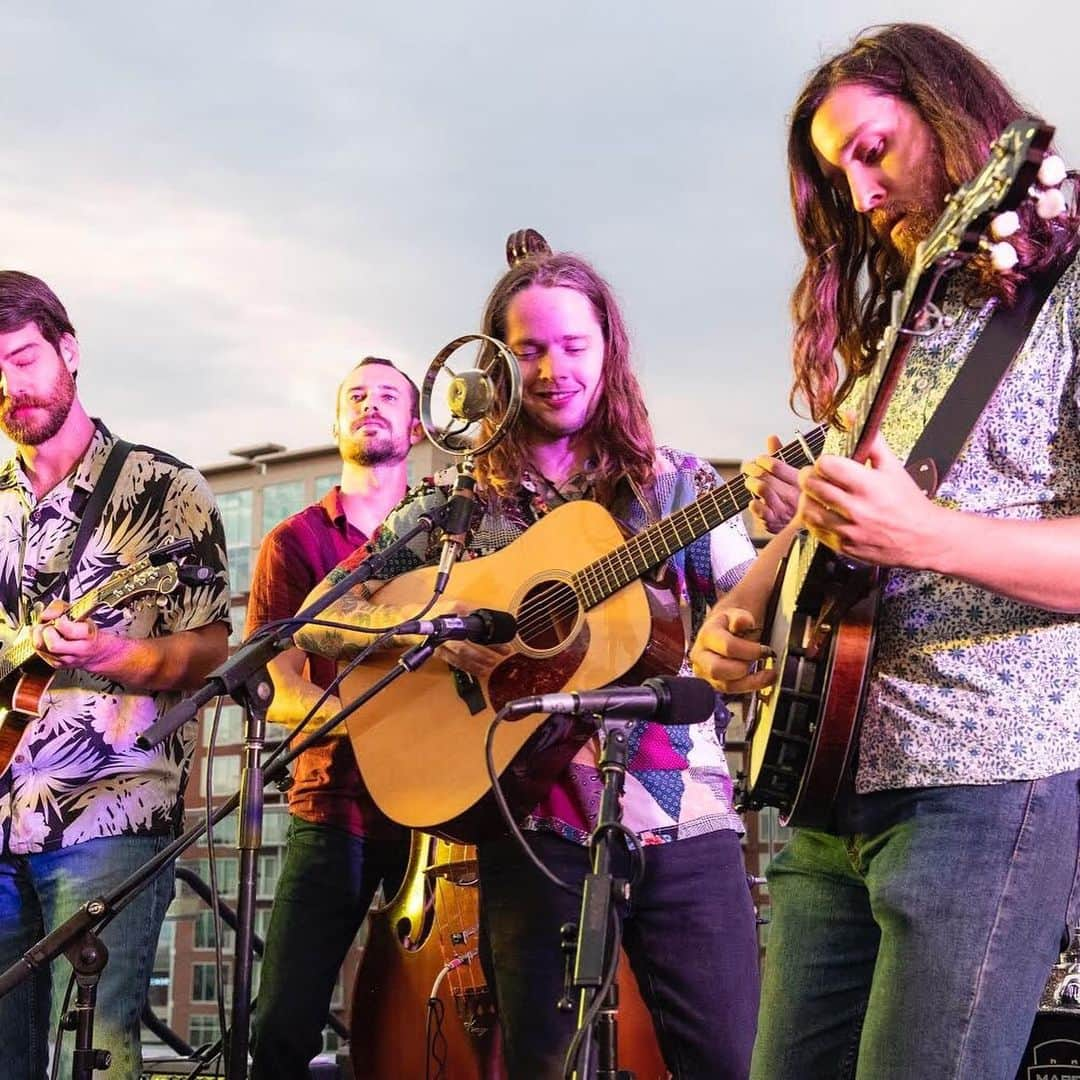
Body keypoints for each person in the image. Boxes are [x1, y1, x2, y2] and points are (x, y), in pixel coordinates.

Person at [690, 23, 1080, 1079]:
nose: (861, 193)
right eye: (838, 172)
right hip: (830, 783)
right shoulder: (917, 322)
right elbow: (829, 524)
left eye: (874, 150)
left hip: (985, 780)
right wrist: (739, 613)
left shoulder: (1070, 288)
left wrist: (929, 536)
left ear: (951, 115)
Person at [295, 250, 772, 1079]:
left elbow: (749, 596)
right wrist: (431, 628)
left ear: (608, 351)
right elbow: (323, 616)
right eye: (529, 350)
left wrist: (795, 532)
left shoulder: (678, 485)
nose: (553, 370)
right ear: (497, 364)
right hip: (534, 819)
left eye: (573, 346)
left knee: (731, 1062)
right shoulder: (455, 503)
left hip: (683, 813)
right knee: (541, 1066)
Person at [0, 270, 231, 1079]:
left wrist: (115, 657)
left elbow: (210, 647)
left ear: (69, 351)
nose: (10, 386)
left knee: (101, 1055)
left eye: (23, 360)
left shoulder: (165, 490)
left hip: (109, 812)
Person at [247, 357, 419, 1078]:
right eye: (355, 395)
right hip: (333, 807)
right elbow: (275, 687)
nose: (370, 405)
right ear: (336, 422)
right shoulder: (294, 542)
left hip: (441, 820)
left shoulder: (454, 536)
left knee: (441, 1020)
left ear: (416, 425)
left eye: (388, 396)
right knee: (284, 1023)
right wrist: (373, 720)